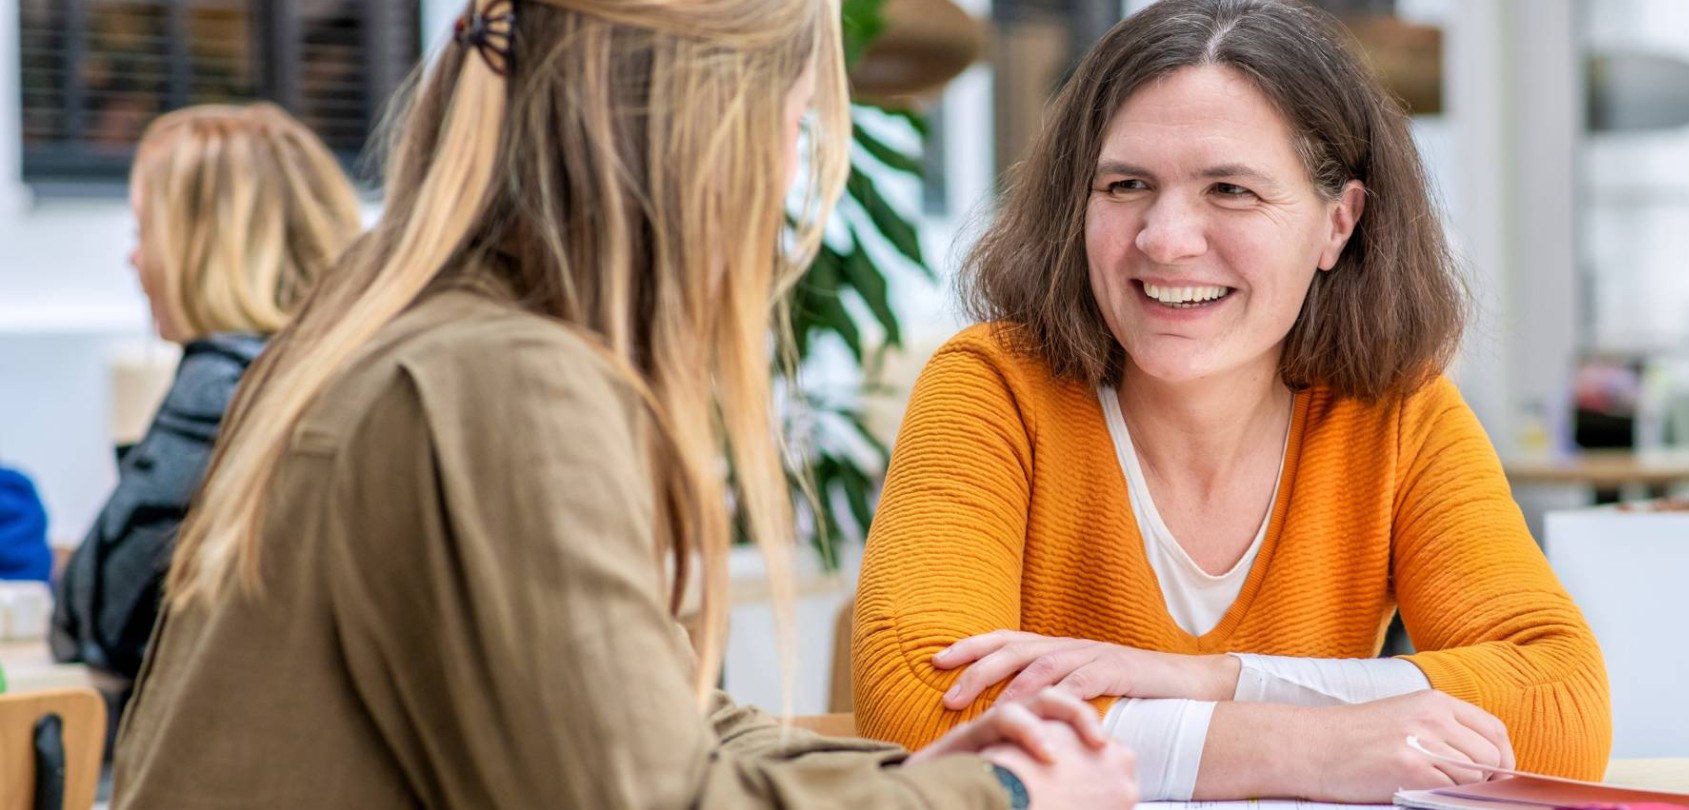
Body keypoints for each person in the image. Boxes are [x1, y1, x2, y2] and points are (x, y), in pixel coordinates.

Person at [109, 2, 1137, 809]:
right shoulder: (505, 386)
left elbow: (651, 723)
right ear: (713, 133)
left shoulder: (411, 332)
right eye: (796, 130)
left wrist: (913, 782)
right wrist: (998, 796)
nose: (790, 177)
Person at [852, 0, 1612, 803]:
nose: (1165, 237)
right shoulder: (993, 386)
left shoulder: (1396, 411)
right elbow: (926, 715)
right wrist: (1307, 747)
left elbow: (1559, 703)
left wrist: (1210, 680)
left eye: (1230, 189)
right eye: (1126, 184)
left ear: (1338, 224)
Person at [51, 104, 360, 728]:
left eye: (144, 234)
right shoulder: (339, 361)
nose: (134, 261)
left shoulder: (221, 384)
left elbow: (101, 622)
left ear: (204, 245)